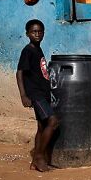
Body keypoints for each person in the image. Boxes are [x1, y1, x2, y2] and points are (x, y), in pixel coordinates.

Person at [16, 19, 59, 172]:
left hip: (43, 93)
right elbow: (19, 72)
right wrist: (23, 95)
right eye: (34, 31)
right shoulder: (28, 50)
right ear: (27, 33)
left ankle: (35, 161)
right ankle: (39, 156)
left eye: (40, 31)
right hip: (36, 94)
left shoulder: (37, 49)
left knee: (41, 127)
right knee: (53, 122)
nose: (37, 34)